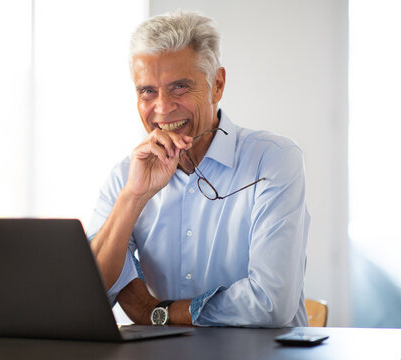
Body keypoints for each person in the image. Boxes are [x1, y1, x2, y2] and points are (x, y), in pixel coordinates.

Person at [87, 10, 310, 327]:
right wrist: (133, 197)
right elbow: (89, 294)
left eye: (179, 87)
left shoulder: (274, 159)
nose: (162, 109)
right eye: (147, 91)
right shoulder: (126, 176)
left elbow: (269, 303)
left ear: (216, 84)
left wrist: (157, 312)